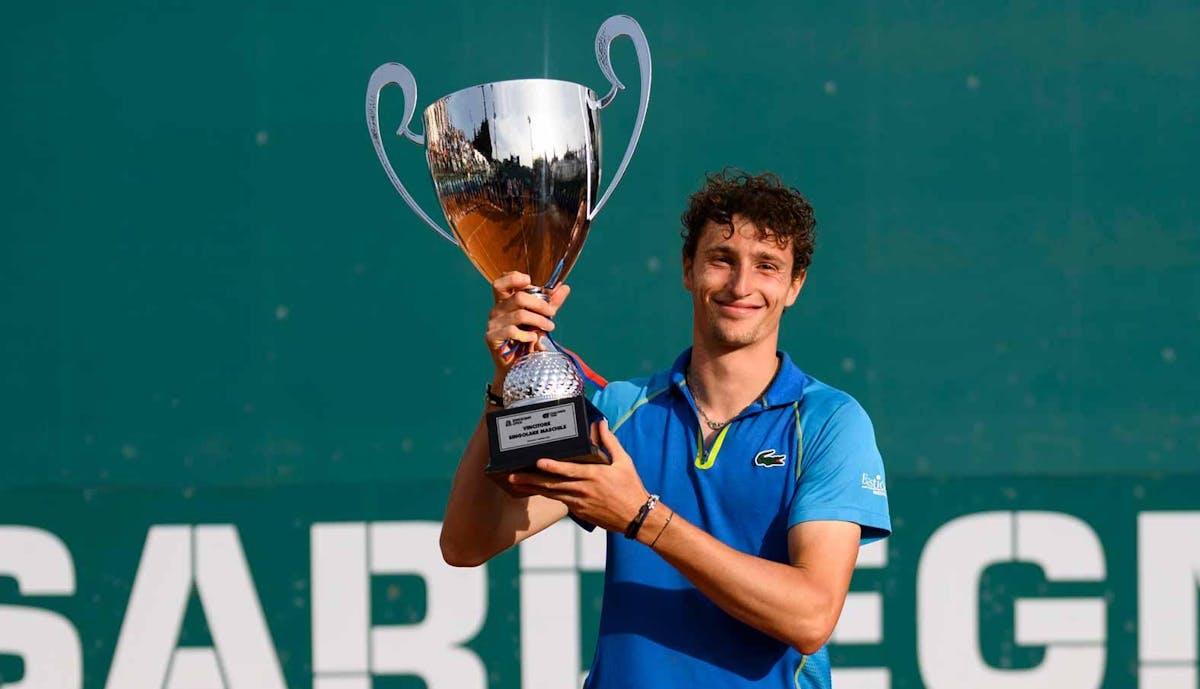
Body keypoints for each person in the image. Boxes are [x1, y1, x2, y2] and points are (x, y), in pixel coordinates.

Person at [440, 169, 891, 688]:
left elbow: (811, 616)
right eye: (722, 259)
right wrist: (506, 383)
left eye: (767, 266)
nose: (741, 285)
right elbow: (467, 543)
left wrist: (642, 517)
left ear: (794, 286)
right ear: (688, 268)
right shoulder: (620, 412)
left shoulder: (828, 422)